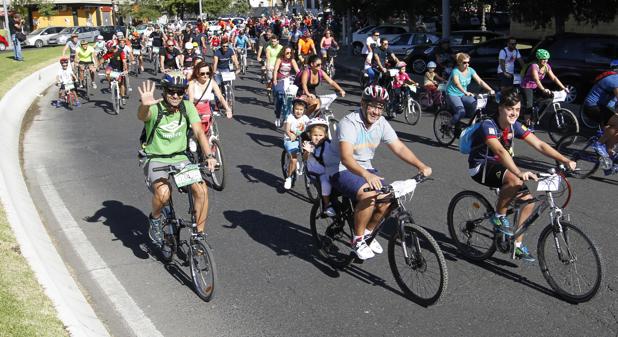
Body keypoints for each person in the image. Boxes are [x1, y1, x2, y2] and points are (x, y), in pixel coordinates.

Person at [466, 89, 577, 261]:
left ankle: (517, 246)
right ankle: (499, 217)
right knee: (514, 179)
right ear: (501, 107)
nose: (514, 113)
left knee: (528, 202)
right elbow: (500, 151)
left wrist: (564, 159)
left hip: (503, 167)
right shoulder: (488, 125)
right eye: (510, 108)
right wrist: (519, 172)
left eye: (517, 110)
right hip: (482, 167)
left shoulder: (514, 126)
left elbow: (539, 144)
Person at [331, 85, 432, 260]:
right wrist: (366, 175)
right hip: (340, 167)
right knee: (369, 196)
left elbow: (398, 147)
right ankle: (357, 239)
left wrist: (420, 165)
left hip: (364, 167)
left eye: (380, 107)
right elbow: (346, 158)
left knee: (388, 198)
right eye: (373, 106)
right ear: (363, 104)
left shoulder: (381, 123)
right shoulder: (349, 123)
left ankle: (367, 235)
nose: (376, 111)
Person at [137, 76, 217, 246]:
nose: (175, 95)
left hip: (180, 158)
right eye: (171, 91)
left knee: (201, 191)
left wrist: (209, 156)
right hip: (156, 158)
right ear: (164, 91)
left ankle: (199, 236)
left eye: (179, 92)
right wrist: (145, 104)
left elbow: (199, 132)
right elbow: (142, 116)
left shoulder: (187, 107)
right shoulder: (155, 108)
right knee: (164, 193)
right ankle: (155, 220)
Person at [583, 60, 618, 174]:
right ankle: (598, 144)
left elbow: (613, 102)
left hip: (601, 108)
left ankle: (608, 167)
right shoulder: (614, 79)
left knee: (613, 135)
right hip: (592, 107)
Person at [520, 49, 569, 125]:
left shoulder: (547, 66)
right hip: (527, 86)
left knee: (549, 98)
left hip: (536, 87)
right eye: (543, 59)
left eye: (547, 59)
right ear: (539, 59)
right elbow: (536, 79)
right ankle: (527, 124)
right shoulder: (534, 66)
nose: (545, 61)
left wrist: (563, 87)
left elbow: (554, 78)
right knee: (529, 105)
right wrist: (543, 89)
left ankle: (535, 118)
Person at [302, 118, 339, 216]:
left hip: (329, 168)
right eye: (315, 135)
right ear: (310, 135)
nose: (318, 138)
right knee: (325, 182)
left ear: (325, 135)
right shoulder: (308, 144)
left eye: (320, 135)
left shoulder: (328, 143)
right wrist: (307, 152)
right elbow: (304, 158)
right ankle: (327, 205)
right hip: (316, 171)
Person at [445, 53, 495, 126]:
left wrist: (490, 90)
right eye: (464, 62)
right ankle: (448, 125)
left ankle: (469, 123)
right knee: (461, 112)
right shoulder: (455, 71)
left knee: (475, 105)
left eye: (468, 62)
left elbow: (480, 81)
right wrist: (465, 92)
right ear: (459, 62)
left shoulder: (470, 70)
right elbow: (457, 83)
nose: (467, 64)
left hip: (463, 94)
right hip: (453, 94)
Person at [188, 61, 233, 130]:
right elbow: (191, 100)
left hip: (206, 108)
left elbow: (220, 97)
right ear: (197, 74)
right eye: (202, 73)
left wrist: (227, 109)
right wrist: (190, 112)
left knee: (209, 129)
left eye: (207, 73)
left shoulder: (211, 82)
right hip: (195, 108)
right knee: (194, 131)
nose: (205, 75)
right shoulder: (192, 83)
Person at [283, 99, 311, 190]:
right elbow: (287, 129)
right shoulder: (290, 117)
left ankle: (305, 164)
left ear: (304, 110)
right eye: (296, 109)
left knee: (309, 151)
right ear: (293, 109)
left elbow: (311, 126)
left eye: (301, 110)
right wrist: (290, 134)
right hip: (291, 140)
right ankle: (289, 177)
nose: (298, 111)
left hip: (301, 139)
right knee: (294, 160)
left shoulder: (305, 118)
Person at [272, 46, 301, 126]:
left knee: (292, 96)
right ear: (283, 53)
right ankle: (278, 117)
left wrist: (301, 77)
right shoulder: (279, 59)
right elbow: (275, 70)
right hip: (280, 79)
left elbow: (297, 71)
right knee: (280, 97)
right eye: (287, 53)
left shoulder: (292, 60)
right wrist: (274, 79)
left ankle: (288, 113)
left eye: (290, 53)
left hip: (288, 80)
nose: (289, 54)